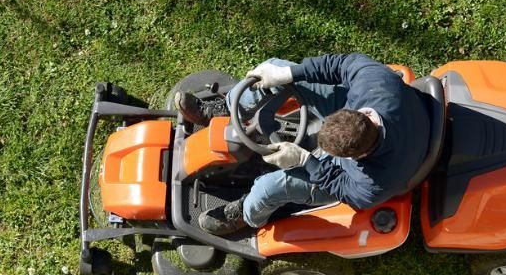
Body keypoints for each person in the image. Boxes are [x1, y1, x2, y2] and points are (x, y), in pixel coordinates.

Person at [175, 53, 432, 235]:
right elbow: (340, 65)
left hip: (391, 157)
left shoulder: (374, 182)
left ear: (358, 156)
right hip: (401, 118)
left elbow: (340, 186)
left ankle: (245, 214)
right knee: (274, 68)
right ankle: (229, 108)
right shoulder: (375, 83)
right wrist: (287, 74)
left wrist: (305, 161)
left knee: (271, 187)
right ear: (361, 112)